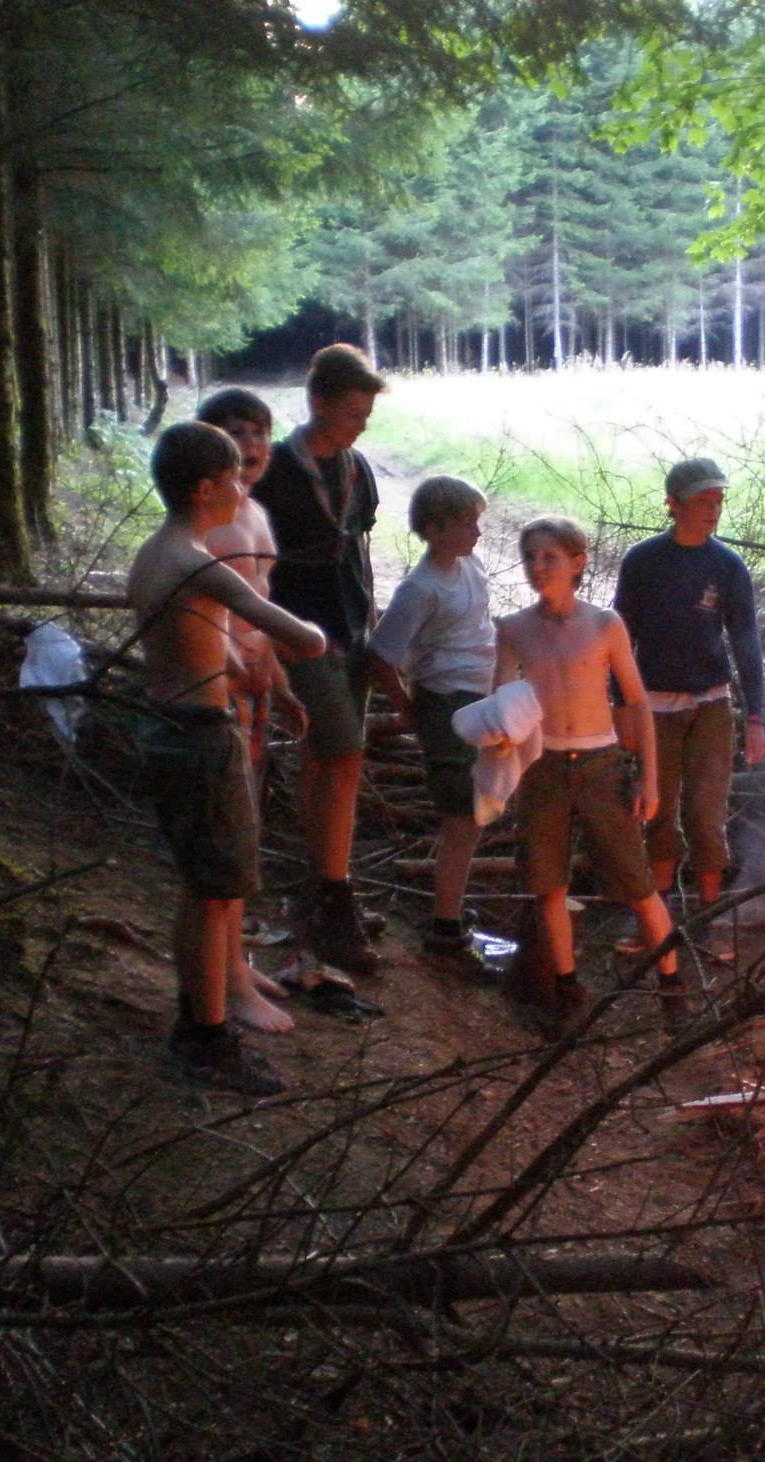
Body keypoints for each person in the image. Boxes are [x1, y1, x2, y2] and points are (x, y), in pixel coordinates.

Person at [126, 421, 326, 1095]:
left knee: (199, 890)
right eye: (236, 475)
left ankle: (198, 1023)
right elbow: (302, 638)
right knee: (218, 893)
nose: (244, 485)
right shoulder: (198, 563)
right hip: (201, 736)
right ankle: (209, 1039)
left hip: (167, 727)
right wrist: (313, 630)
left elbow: (202, 638)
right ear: (206, 487)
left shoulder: (154, 555)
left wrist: (236, 656)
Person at [495, 516, 684, 1026]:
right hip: (543, 765)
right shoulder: (513, 629)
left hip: (601, 763)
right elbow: (501, 704)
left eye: (549, 557)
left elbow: (638, 702)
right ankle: (566, 989)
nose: (538, 567)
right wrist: (498, 765)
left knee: (636, 882)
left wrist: (649, 779)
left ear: (577, 563)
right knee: (549, 884)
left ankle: (672, 986)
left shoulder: (604, 624)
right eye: (531, 557)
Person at [251, 344, 388, 972]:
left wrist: (374, 628)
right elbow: (256, 564)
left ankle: (322, 884)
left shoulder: (359, 469)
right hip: (298, 633)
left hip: (352, 631)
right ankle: (335, 895)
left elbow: (358, 552)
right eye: (353, 412)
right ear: (318, 403)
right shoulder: (277, 471)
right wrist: (271, 640)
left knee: (328, 759)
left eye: (366, 414)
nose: (362, 424)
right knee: (343, 747)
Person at [610, 456, 765, 950]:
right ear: (673, 504)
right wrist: (620, 705)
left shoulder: (726, 565)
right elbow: (621, 637)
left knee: (706, 815)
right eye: (702, 500)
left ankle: (706, 923)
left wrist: (756, 716)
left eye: (718, 500)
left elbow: (745, 642)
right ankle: (654, 924)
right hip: (655, 705)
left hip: (711, 705)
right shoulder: (644, 561)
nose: (712, 509)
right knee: (657, 810)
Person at [196, 388, 307, 1035]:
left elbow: (258, 611)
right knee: (228, 842)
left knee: (248, 832)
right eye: (237, 433)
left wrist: (282, 683)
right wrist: (235, 668)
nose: (255, 446)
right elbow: (198, 614)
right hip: (217, 697)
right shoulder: (207, 522)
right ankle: (227, 985)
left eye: (262, 432)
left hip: (258, 696)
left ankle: (236, 960)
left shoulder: (255, 515)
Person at [367, 476, 495, 964]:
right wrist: (407, 707)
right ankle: (445, 927)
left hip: (479, 699)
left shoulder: (471, 564)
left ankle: (452, 908)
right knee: (462, 816)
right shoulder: (420, 589)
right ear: (436, 529)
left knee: (475, 814)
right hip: (446, 703)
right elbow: (382, 654)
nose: (477, 533)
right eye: (468, 524)